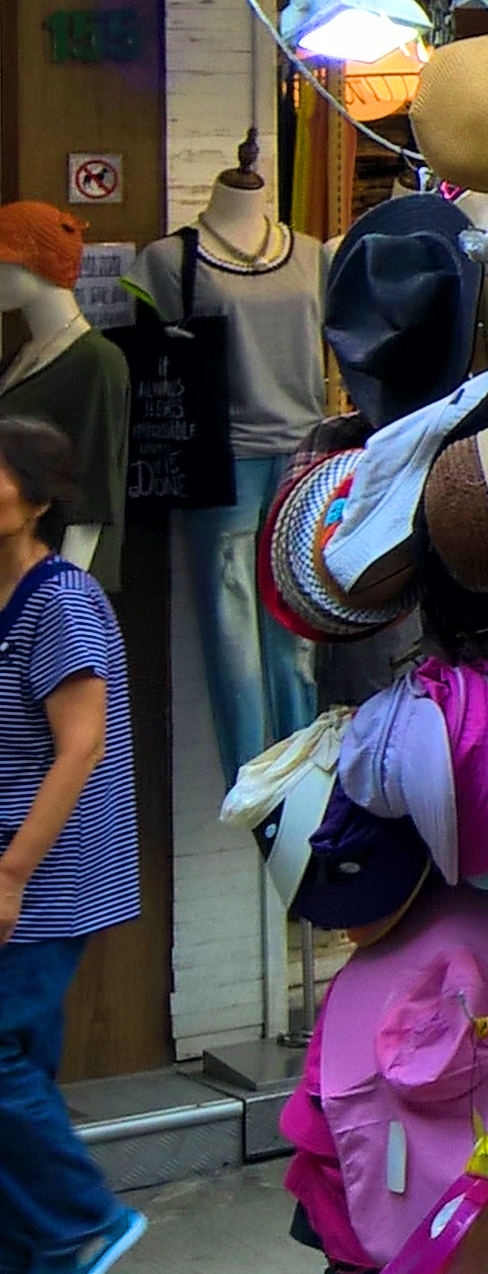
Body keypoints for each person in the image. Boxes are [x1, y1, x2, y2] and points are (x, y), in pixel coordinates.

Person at [0, 414, 142, 1270]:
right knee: (21, 1060)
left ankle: (84, 1216)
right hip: (18, 868)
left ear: (38, 499)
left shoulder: (61, 602)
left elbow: (80, 745)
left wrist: (13, 873)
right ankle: (39, 1252)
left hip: (44, 877)